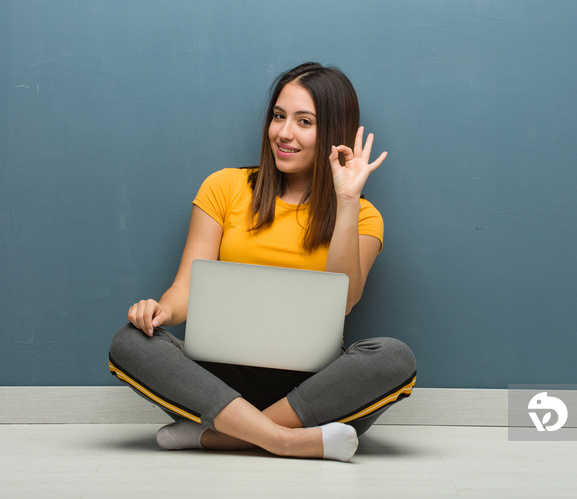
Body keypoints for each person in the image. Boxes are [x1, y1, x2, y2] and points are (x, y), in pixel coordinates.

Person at [108, 62, 416, 462]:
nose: (284, 133)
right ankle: (284, 440)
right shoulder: (225, 187)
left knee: (394, 358)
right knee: (129, 341)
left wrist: (346, 202)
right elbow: (186, 287)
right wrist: (161, 310)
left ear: (333, 134)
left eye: (304, 121)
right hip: (217, 379)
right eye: (278, 116)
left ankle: (224, 436)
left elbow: (344, 302)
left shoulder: (363, 216)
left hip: (311, 390)